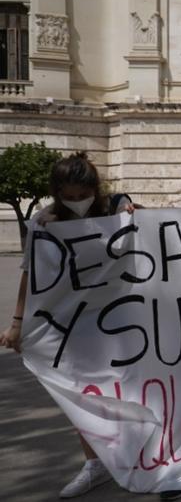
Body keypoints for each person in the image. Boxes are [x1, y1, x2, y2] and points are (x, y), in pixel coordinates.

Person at [1, 153, 138, 499]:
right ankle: (95, 463)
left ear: (95, 189)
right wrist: (18, 323)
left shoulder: (116, 211)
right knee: (82, 392)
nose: (77, 203)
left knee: (134, 388)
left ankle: (141, 456)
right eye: (69, 197)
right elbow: (31, 276)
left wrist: (130, 210)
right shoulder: (45, 223)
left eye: (83, 195)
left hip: (125, 320)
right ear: (58, 193)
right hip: (74, 325)